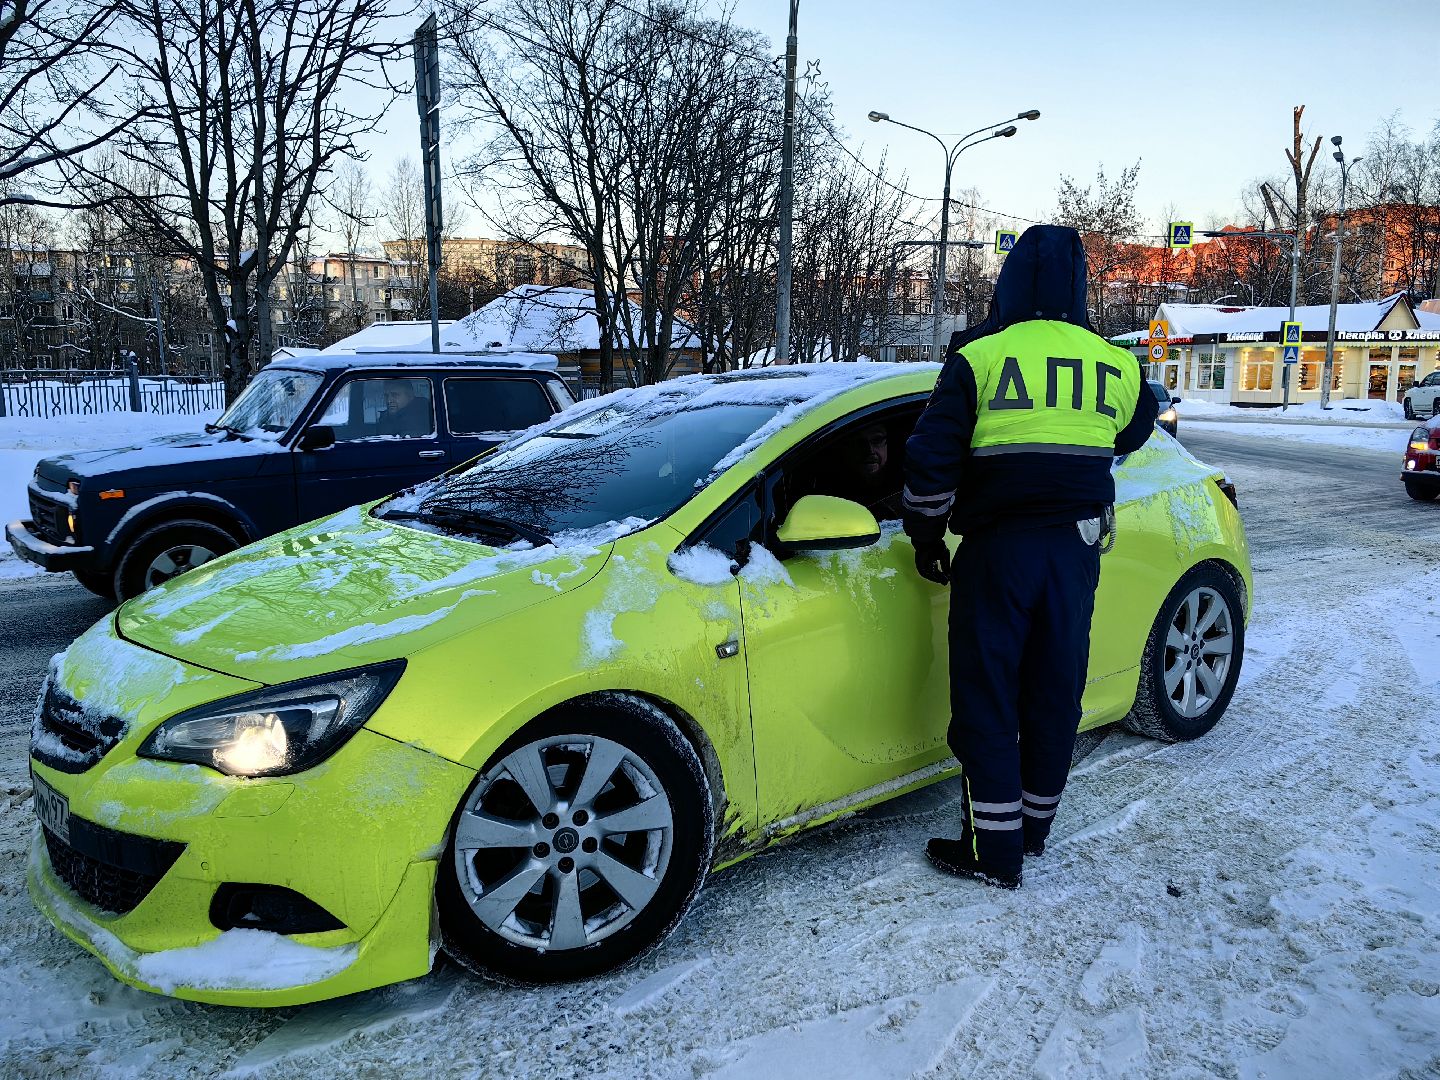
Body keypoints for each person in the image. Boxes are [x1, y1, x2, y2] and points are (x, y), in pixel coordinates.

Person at [901, 224, 1158, 890]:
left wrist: (927, 539)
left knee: (988, 697)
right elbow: (1135, 428)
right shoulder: (1115, 362)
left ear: (1009, 281)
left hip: (998, 551)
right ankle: (1036, 831)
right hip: (1075, 550)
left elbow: (930, 466)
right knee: (1053, 692)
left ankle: (995, 852)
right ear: (1077, 286)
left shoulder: (980, 358)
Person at [820, 422, 904, 520]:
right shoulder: (829, 494)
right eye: (859, 442)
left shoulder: (909, 482)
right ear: (844, 447)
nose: (870, 450)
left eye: (877, 440)